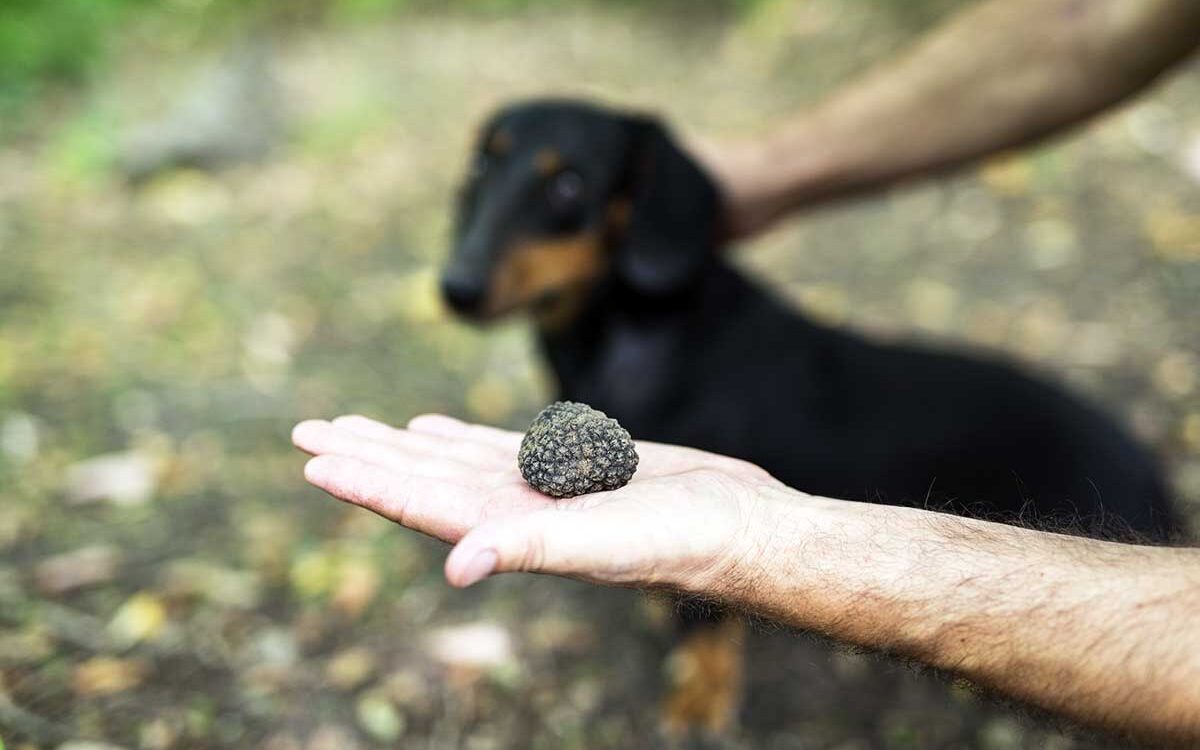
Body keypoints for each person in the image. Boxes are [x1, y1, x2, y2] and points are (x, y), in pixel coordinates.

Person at [294, 0, 1200, 745]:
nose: (480, 254)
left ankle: (707, 661)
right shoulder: (630, 344)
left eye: (564, 195)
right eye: (490, 183)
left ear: (634, 209)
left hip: (1101, 492)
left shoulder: (688, 368)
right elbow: (1084, 17)